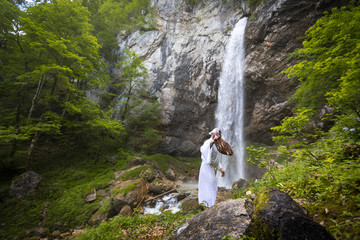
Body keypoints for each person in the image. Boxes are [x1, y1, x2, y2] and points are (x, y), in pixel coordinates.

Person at [198, 128, 226, 207]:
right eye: (216, 134)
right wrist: (212, 142)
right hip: (206, 167)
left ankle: (209, 203)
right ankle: (207, 204)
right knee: (210, 185)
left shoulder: (218, 145)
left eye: (218, 134)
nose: (217, 135)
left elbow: (215, 160)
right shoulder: (208, 142)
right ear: (212, 134)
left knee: (211, 185)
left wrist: (221, 169)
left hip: (212, 168)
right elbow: (204, 150)